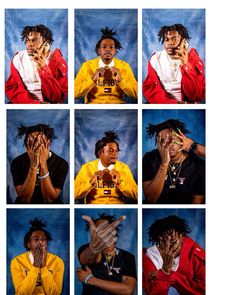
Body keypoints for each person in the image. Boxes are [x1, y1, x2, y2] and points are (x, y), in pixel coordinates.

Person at [142, 119, 205, 204]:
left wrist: (192, 146)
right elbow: (150, 199)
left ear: (181, 139)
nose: (168, 144)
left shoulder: (197, 164)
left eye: (172, 139)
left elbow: (197, 201)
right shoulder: (149, 158)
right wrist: (164, 163)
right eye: (163, 141)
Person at [143, 23, 205, 104]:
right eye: (166, 39)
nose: (170, 43)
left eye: (174, 39)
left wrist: (185, 65)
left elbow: (197, 96)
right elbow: (149, 88)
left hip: (187, 103)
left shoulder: (194, 59)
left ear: (183, 40)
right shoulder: (155, 58)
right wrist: (173, 103)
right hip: (162, 102)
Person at [143, 215, 205, 295]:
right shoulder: (150, 256)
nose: (167, 246)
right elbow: (152, 292)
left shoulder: (196, 255)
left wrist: (172, 277)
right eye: (163, 242)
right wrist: (164, 272)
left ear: (182, 237)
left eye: (172, 240)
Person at [5, 24, 68, 104]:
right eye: (27, 40)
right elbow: (12, 87)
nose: (29, 44)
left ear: (46, 43)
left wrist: (43, 68)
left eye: (35, 40)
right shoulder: (18, 58)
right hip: (25, 103)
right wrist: (35, 103)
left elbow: (56, 97)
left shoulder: (57, 61)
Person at [77, 213, 137, 295]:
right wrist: (92, 249)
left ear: (114, 231)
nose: (103, 233)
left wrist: (90, 279)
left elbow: (128, 290)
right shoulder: (87, 250)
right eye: (98, 230)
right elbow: (88, 258)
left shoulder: (127, 257)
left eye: (106, 228)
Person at [74, 27, 138, 103]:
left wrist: (121, 81)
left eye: (111, 47)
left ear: (115, 51)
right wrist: (92, 80)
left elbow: (137, 94)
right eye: (104, 47)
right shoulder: (87, 66)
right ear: (98, 50)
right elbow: (74, 94)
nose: (108, 49)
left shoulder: (124, 66)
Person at [74, 130, 138, 204]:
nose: (115, 154)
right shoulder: (87, 168)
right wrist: (90, 183)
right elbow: (73, 194)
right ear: (100, 153)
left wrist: (120, 183)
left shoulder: (123, 168)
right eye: (110, 150)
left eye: (116, 151)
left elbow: (137, 195)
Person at [10, 124, 68, 204]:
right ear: (26, 145)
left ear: (48, 142)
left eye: (40, 142)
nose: (36, 145)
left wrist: (43, 164)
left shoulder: (61, 163)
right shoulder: (17, 162)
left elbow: (50, 199)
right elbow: (24, 199)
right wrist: (33, 165)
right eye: (31, 142)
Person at [10, 217, 64, 294]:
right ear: (28, 244)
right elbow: (22, 293)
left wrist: (43, 267)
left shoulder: (57, 261)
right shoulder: (17, 262)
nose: (40, 242)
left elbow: (55, 293)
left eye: (43, 239)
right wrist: (35, 266)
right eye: (36, 239)